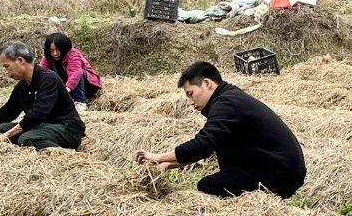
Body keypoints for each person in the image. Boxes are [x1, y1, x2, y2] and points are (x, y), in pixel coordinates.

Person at [134, 61, 306, 198]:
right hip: (279, 168)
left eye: (190, 94)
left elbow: (203, 144)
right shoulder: (228, 99)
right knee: (221, 177)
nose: (190, 101)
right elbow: (207, 148)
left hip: (279, 172)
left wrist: (158, 157)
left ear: (207, 84)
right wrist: (166, 165)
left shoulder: (227, 103)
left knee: (209, 186)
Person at [0, 40, 86, 151]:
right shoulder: (23, 86)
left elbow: (38, 114)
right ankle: (34, 145)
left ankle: (64, 154)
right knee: (1, 128)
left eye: (6, 66)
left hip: (67, 128)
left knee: (26, 139)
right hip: (43, 126)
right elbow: (8, 111)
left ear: (20, 60)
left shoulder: (48, 79)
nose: (5, 71)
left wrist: (7, 135)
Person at [41, 32, 103, 110]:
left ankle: (80, 101)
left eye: (57, 50)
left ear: (64, 47)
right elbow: (42, 73)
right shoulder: (48, 57)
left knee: (79, 73)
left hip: (88, 86)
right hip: (68, 87)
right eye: (51, 51)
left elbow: (76, 73)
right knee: (49, 76)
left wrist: (65, 90)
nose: (55, 53)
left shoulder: (73, 54)